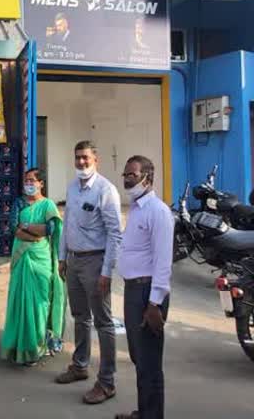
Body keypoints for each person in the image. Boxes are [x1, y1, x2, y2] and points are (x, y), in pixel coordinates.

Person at [56, 140, 123, 405]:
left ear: (96, 160)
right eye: (77, 158)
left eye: (86, 158)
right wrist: (62, 257)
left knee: (103, 323)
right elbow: (66, 225)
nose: (81, 163)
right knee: (79, 316)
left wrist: (107, 272)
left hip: (96, 263)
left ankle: (107, 382)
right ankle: (80, 365)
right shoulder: (72, 188)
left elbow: (115, 234)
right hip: (74, 261)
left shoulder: (106, 190)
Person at [115, 155, 173, 419]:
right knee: (140, 358)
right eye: (126, 175)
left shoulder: (158, 211)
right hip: (133, 290)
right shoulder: (137, 208)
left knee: (149, 361)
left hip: (148, 294)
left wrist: (154, 304)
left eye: (133, 175)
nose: (127, 179)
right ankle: (145, 412)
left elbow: (163, 261)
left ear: (148, 178)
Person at [1, 168, 66, 366]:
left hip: (42, 259)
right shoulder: (18, 203)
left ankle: (38, 344)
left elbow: (51, 229)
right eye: (26, 180)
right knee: (19, 301)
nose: (28, 184)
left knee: (41, 302)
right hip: (21, 256)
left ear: (41, 183)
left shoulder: (48, 205)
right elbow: (14, 229)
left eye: (32, 180)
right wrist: (36, 233)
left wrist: (27, 226)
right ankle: (18, 345)